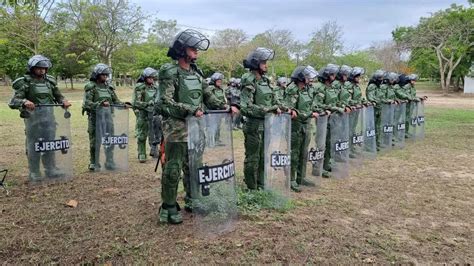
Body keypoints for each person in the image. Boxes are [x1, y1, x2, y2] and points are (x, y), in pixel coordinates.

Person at [155, 29, 238, 224]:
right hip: (176, 129)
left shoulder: (197, 73)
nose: (197, 52)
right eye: (193, 48)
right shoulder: (169, 71)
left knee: (194, 166)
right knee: (173, 169)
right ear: (182, 50)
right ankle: (168, 206)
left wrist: (225, 106)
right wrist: (190, 109)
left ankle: (193, 199)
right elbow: (165, 102)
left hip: (196, 129)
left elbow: (208, 95)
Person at [9, 55, 72, 181]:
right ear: (32, 68)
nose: (42, 70)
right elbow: (13, 101)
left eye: (44, 68)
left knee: (49, 144)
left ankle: (51, 169)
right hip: (33, 120)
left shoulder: (49, 82)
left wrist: (64, 101)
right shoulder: (25, 82)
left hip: (49, 118)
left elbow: (58, 96)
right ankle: (34, 172)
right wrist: (25, 102)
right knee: (34, 145)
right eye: (38, 68)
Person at [240, 47, 287, 190]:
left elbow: (275, 99)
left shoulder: (266, 80)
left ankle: (262, 184)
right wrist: (269, 110)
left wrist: (283, 108)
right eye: (264, 62)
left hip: (267, 124)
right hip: (253, 125)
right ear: (256, 63)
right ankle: (251, 187)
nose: (266, 65)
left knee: (263, 156)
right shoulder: (249, 80)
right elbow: (246, 106)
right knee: (252, 158)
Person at [82, 63, 125, 171]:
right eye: (103, 74)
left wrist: (124, 105)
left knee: (109, 139)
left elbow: (116, 101)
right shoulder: (91, 87)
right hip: (95, 118)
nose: (105, 76)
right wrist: (99, 104)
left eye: (106, 74)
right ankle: (94, 162)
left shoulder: (109, 88)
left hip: (108, 117)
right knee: (95, 141)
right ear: (97, 75)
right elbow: (86, 103)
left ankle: (109, 161)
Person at [284, 66, 319, 192]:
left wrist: (317, 111)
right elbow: (291, 110)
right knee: (294, 153)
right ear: (300, 77)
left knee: (304, 152)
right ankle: (291, 179)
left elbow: (312, 106)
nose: (309, 79)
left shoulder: (309, 89)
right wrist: (310, 114)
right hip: (295, 126)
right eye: (307, 76)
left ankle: (301, 177)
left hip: (306, 125)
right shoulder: (292, 89)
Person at [320, 64, 351, 178]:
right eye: (332, 74)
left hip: (333, 118)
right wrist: (336, 108)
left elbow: (336, 100)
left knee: (330, 142)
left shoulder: (332, 87)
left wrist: (342, 106)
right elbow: (319, 104)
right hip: (324, 119)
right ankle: (319, 167)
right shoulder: (320, 87)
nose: (334, 76)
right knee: (322, 143)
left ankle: (327, 163)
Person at [132, 67, 161, 163]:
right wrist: (147, 104)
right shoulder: (140, 87)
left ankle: (154, 150)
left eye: (153, 77)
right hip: (143, 114)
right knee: (142, 134)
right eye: (149, 77)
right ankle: (141, 153)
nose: (152, 79)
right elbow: (136, 102)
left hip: (154, 114)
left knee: (155, 134)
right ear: (145, 77)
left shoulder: (156, 87)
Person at [366, 70, 386, 150]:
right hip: (373, 109)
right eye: (380, 78)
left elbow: (381, 97)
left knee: (378, 126)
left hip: (379, 109)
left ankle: (376, 142)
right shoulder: (372, 86)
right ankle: (369, 144)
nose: (381, 79)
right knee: (371, 127)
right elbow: (370, 97)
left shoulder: (379, 87)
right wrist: (377, 102)